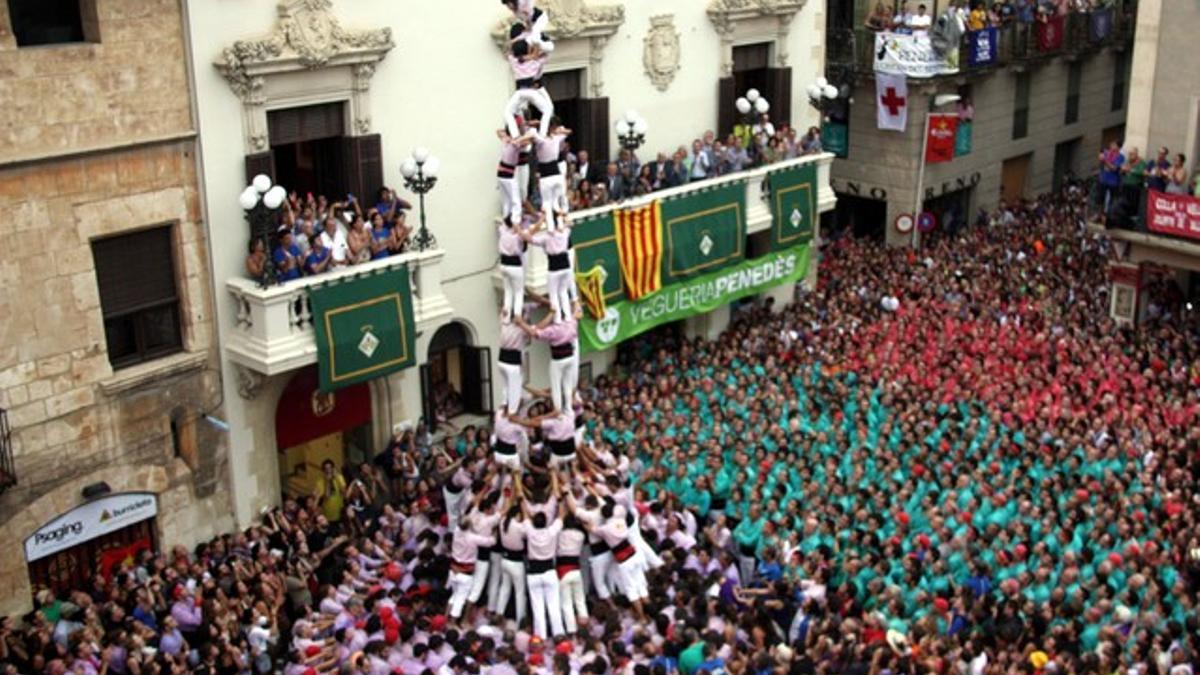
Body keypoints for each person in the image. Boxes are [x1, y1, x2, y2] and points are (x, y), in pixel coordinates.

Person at [505, 40, 553, 139]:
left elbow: (509, 50)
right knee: (547, 110)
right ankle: (542, 135)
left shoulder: (514, 61)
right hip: (532, 91)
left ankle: (515, 135)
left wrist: (517, 42)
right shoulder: (535, 62)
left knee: (508, 112)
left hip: (519, 92)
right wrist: (534, 49)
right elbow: (546, 53)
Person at [535, 119, 572, 230]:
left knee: (547, 202)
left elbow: (531, 138)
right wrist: (558, 131)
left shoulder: (540, 140)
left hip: (546, 175)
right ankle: (560, 224)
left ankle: (551, 227)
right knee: (555, 201)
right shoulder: (556, 137)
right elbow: (569, 132)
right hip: (556, 174)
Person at [1097, 140, 1124, 215]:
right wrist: (1100, 157)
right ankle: (1099, 214)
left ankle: (1108, 215)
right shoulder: (1107, 153)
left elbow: (1114, 168)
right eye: (1111, 144)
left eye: (1114, 145)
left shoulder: (1120, 157)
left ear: (1118, 147)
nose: (1111, 146)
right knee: (1100, 198)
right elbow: (1101, 157)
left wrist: (1105, 161)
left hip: (1113, 182)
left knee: (1111, 200)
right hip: (1103, 179)